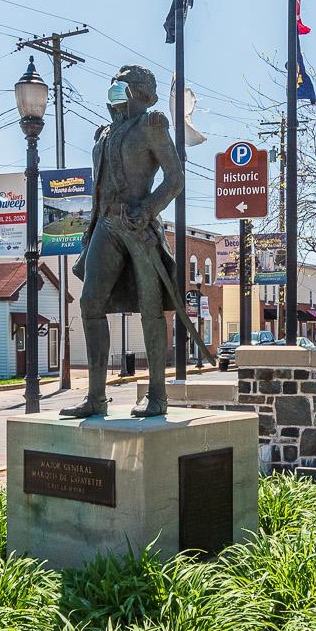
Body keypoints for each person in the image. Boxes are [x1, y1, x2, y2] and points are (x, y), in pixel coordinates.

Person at [62, 64, 185, 418]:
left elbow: (175, 179)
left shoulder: (151, 125)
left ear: (141, 92)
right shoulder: (103, 132)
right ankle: (96, 397)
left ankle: (157, 395)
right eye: (114, 83)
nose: (116, 88)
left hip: (138, 227)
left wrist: (147, 209)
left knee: (150, 306)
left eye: (124, 84)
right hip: (106, 224)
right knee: (90, 302)